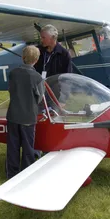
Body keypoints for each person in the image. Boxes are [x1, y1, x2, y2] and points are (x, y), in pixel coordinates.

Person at [33, 24, 73, 158]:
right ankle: (35, 151)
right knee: (37, 123)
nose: (41, 40)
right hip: (38, 95)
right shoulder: (38, 51)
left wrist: (62, 100)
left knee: (52, 124)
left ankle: (50, 152)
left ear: (53, 38)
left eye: (43, 37)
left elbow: (67, 79)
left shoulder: (64, 54)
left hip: (54, 96)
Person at [6, 45, 44, 179]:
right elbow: (39, 97)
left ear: (23, 57)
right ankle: (26, 174)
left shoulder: (13, 73)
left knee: (12, 146)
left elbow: (10, 90)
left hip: (13, 115)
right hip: (28, 117)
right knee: (28, 148)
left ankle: (11, 173)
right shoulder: (37, 77)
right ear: (36, 59)